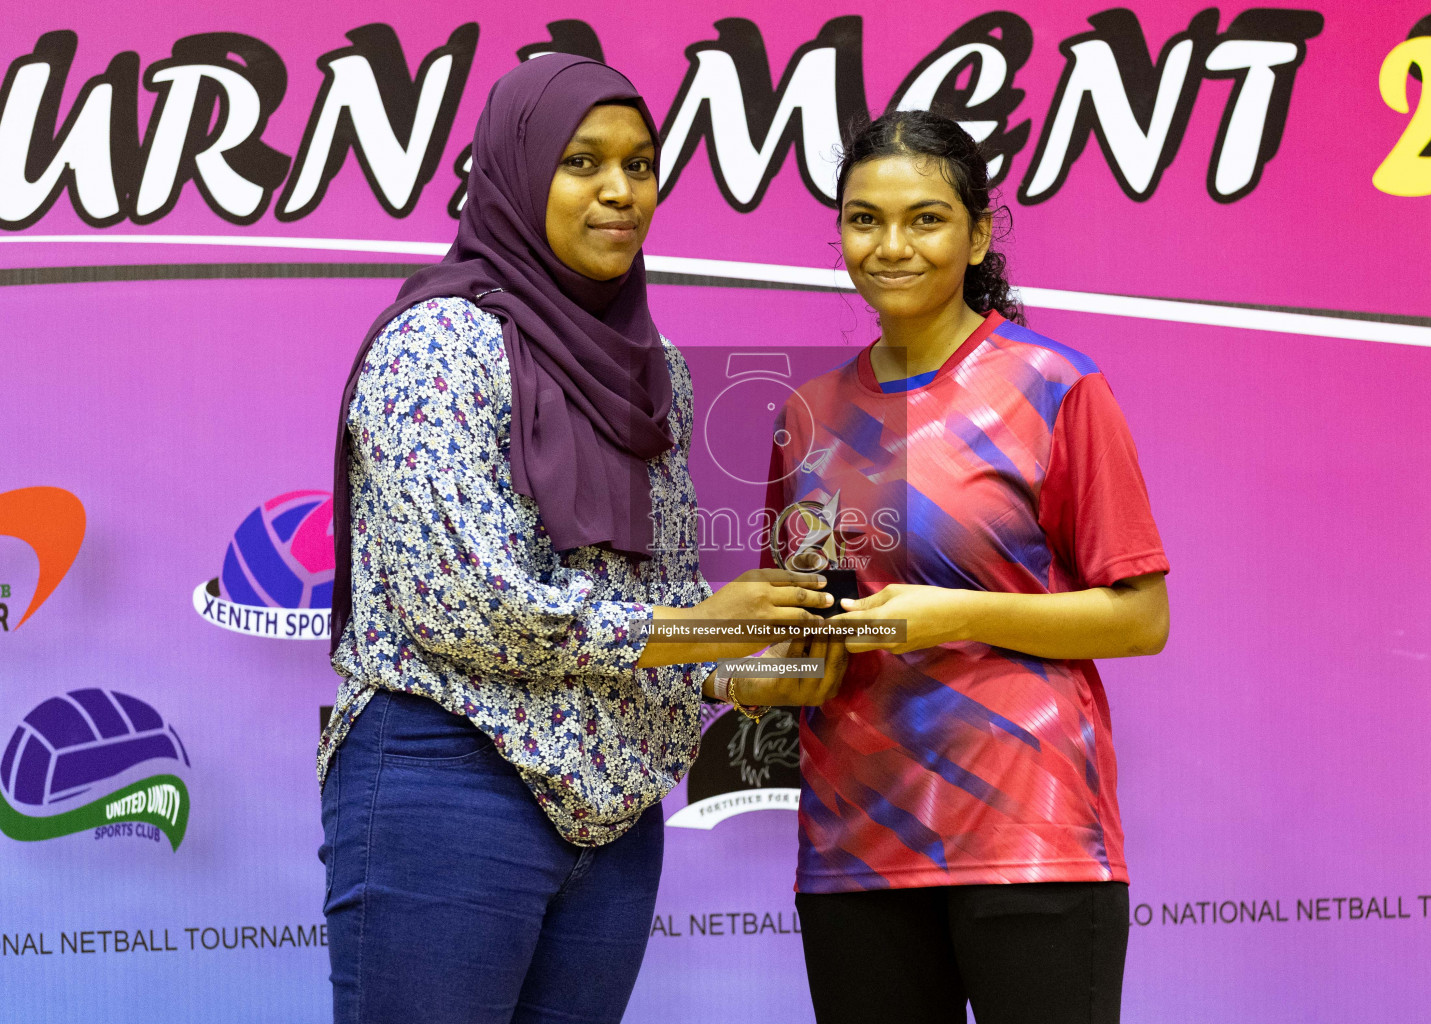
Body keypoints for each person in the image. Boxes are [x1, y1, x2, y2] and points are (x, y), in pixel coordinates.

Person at [318, 55, 845, 1024]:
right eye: (582, 162)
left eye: (640, 165)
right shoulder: (437, 344)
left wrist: (740, 671)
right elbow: (462, 601)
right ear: (517, 175)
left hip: (615, 818)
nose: (620, 190)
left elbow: (664, 604)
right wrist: (694, 631)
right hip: (451, 778)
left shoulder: (659, 374)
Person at [763, 110, 1171, 1024]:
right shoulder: (805, 414)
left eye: (926, 218)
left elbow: (1141, 617)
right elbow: (794, 630)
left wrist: (956, 614)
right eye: (864, 219)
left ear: (979, 233)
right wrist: (761, 665)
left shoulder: (1055, 386)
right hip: (855, 849)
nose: (890, 245)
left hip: (1030, 835)